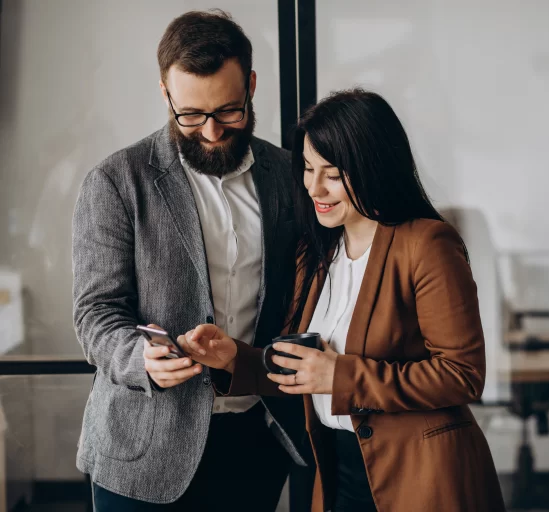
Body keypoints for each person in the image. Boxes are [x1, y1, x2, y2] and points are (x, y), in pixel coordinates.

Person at [180, 89, 506, 511]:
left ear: (372, 168)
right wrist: (233, 360)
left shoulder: (426, 244)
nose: (314, 187)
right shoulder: (316, 252)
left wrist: (343, 377)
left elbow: (462, 374)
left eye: (332, 174)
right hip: (341, 473)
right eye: (309, 168)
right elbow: (307, 372)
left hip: (424, 478)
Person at [72, 10, 307, 510]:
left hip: (255, 439)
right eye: (191, 115)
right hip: (142, 448)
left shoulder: (291, 177)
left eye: (228, 111)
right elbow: (96, 312)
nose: (212, 132)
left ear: (252, 86)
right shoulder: (116, 182)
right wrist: (140, 359)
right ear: (165, 94)